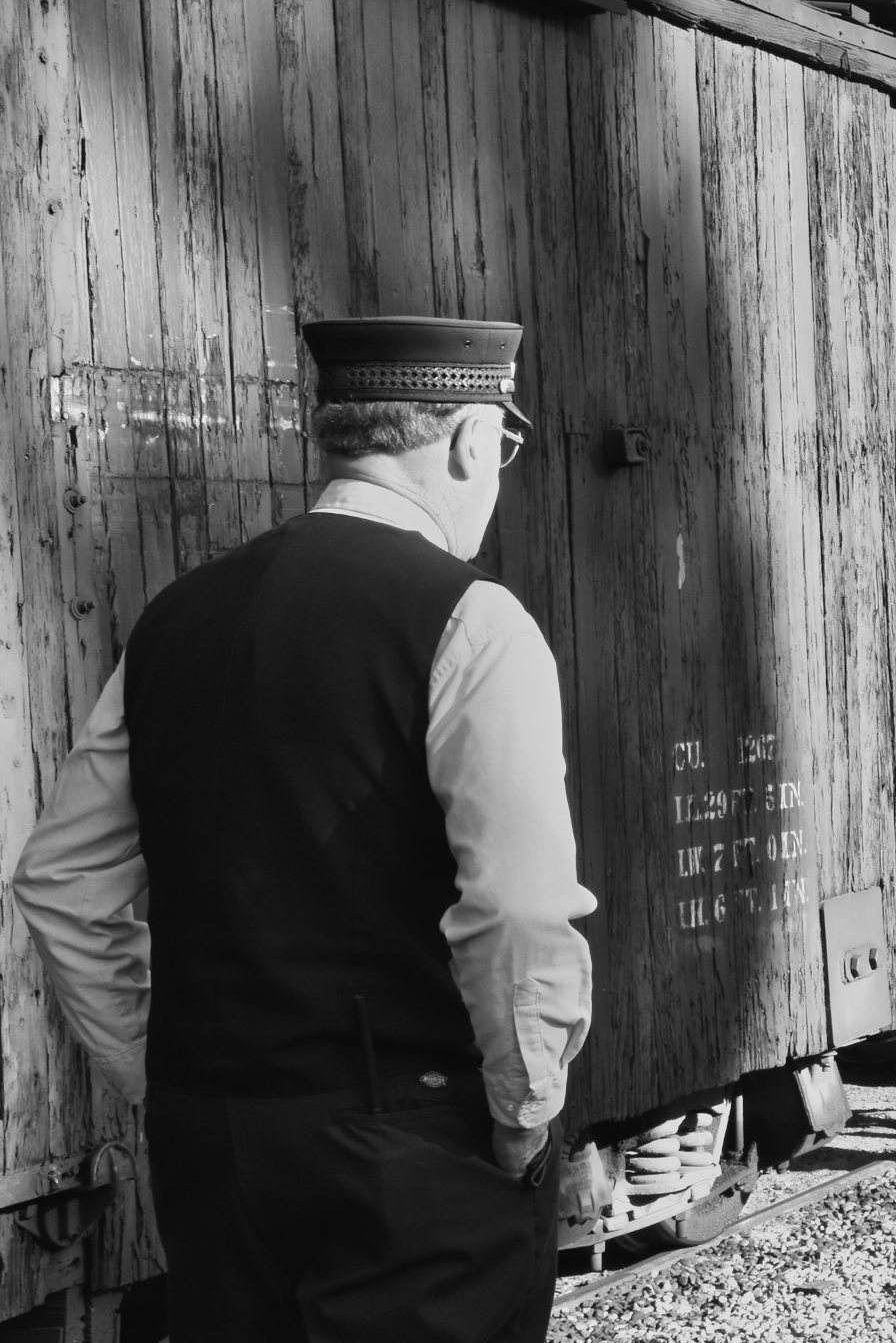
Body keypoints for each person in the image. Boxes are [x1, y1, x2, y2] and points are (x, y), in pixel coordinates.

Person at [12, 316, 596, 1342]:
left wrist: (163, 1069)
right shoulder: (473, 621)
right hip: (412, 1156)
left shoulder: (175, 621)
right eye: (502, 447)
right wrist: (524, 1115)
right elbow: (516, 908)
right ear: (467, 441)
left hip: (216, 1154)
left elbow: (63, 882)